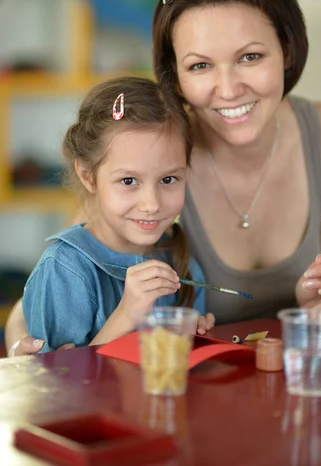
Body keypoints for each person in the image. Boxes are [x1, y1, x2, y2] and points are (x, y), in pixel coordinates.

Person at [6, 0, 321, 355]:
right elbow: (58, 281)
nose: (227, 90)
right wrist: (25, 347)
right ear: (175, 75)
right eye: (200, 65)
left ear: (287, 51)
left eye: (250, 57)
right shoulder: (154, 156)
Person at [20, 77, 214, 352]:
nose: (151, 204)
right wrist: (126, 316)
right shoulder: (64, 270)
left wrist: (193, 338)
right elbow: (57, 385)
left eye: (169, 179)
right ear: (88, 176)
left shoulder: (183, 263)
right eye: (128, 181)